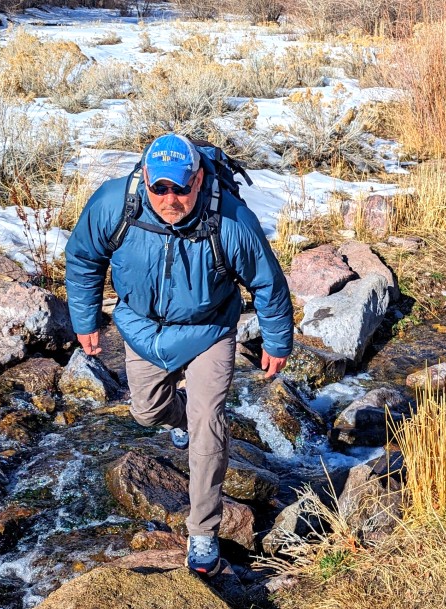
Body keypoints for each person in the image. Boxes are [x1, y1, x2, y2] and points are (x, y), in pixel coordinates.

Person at [64, 133, 293, 575]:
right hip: (142, 326)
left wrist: (277, 342)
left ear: (200, 178)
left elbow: (268, 283)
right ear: (145, 178)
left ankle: (203, 532)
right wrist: (85, 318)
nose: (171, 198)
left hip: (210, 329)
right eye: (161, 188)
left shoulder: (231, 220)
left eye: (182, 188)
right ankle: (181, 418)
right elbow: (83, 258)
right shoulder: (116, 203)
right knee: (147, 412)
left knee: (207, 421)